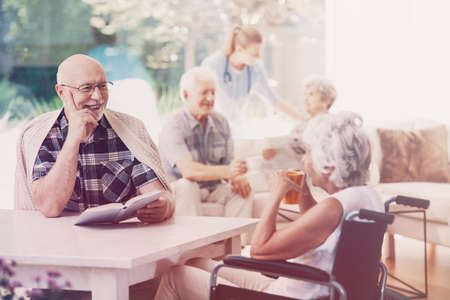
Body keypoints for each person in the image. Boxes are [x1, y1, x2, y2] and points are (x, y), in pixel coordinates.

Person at [154, 111, 383, 300]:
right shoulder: (366, 198)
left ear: (328, 163)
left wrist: (275, 194)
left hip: (289, 295)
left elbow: (260, 251)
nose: (304, 160)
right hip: (313, 286)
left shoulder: (332, 207)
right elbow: (322, 230)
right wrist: (303, 192)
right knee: (196, 262)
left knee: (176, 275)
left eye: (309, 153)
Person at [14, 54, 174, 224]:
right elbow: (50, 207)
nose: (98, 97)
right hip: (57, 243)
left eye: (102, 86)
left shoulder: (130, 130)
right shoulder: (40, 135)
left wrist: (165, 206)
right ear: (62, 92)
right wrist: (73, 140)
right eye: (86, 88)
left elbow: (159, 194)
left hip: (119, 243)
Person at [158, 67, 253, 218]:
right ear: (186, 95)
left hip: (213, 188)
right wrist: (229, 171)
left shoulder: (221, 122)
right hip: (182, 190)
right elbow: (188, 171)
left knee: (242, 191)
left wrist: (237, 177)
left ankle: (236, 241)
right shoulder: (173, 126)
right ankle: (193, 241)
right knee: (187, 186)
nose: (210, 98)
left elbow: (229, 164)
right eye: (204, 93)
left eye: (213, 92)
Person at [201, 25, 306, 132]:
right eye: (254, 53)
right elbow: (200, 101)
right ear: (239, 49)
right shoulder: (212, 65)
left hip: (238, 128)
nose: (258, 57)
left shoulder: (255, 68)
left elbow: (273, 100)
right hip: (213, 128)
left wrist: (303, 119)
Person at [262, 75, 337, 173]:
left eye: (311, 94)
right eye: (305, 94)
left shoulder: (334, 126)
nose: (305, 99)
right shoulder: (301, 127)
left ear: (326, 101)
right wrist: (274, 152)